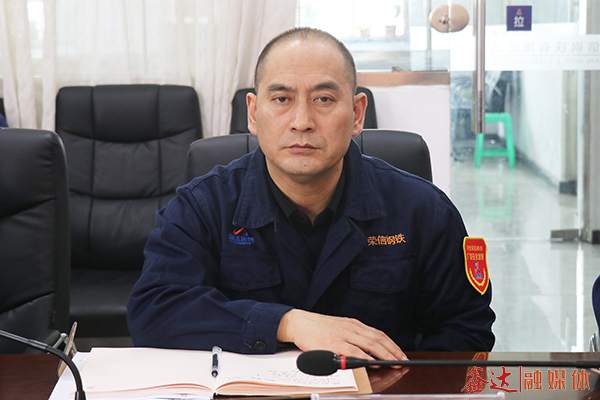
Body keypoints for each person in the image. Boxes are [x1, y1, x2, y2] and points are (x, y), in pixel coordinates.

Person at [127, 27, 495, 362]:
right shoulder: (203, 206)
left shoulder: (424, 210)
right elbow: (155, 312)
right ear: (253, 114)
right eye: (281, 99)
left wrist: (399, 386)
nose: (302, 121)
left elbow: (465, 329)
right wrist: (287, 323)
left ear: (357, 114)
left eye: (323, 99)